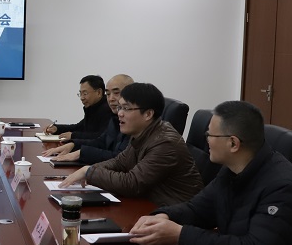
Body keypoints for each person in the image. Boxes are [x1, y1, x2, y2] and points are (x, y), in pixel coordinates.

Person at [129, 100, 292, 245]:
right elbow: (197, 210)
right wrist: (164, 216)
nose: (206, 140)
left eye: (210, 135)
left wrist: (180, 235)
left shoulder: (281, 187)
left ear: (233, 143)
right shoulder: (231, 169)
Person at [59, 83, 203, 206]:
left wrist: (90, 172)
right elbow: (119, 163)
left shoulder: (165, 143)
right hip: (150, 205)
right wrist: (89, 170)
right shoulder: (143, 134)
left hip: (175, 215)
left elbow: (132, 183)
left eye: (126, 108)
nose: (120, 113)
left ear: (148, 114)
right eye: (120, 108)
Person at [43, 74, 133, 164]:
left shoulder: (131, 122)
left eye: (116, 93)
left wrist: (81, 153)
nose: (110, 99)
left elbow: (120, 158)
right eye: (108, 94)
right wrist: (73, 144)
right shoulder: (114, 117)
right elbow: (101, 141)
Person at [44, 75, 113, 141]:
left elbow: (101, 137)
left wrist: (73, 135)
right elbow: (79, 127)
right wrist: (57, 128)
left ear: (99, 92)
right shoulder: (93, 108)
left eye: (85, 93)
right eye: (80, 94)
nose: (82, 98)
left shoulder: (107, 109)